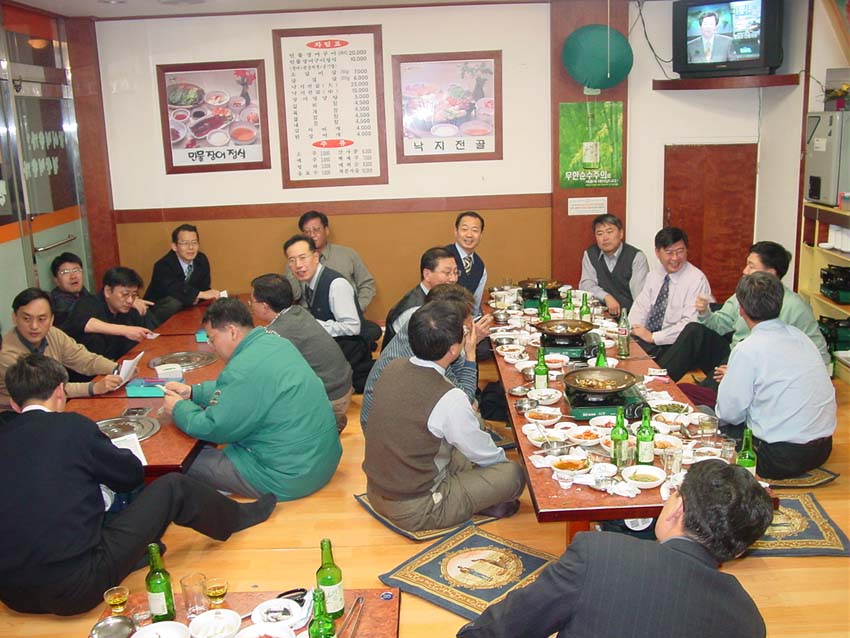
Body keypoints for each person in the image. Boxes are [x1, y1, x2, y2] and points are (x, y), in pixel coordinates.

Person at [0, 353, 276, 616]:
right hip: (78, 587)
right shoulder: (72, 426)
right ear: (60, 391)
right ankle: (236, 516)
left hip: (13, 595)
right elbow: (130, 476)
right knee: (172, 487)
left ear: (13, 403)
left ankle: (137, 552)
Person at [457, 459, 773, 638]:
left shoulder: (600, 555)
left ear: (678, 509)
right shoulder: (748, 620)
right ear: (738, 550)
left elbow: (507, 629)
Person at [363, 301, 525, 532]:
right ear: (453, 349)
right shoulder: (449, 397)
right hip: (419, 508)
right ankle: (476, 500)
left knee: (466, 435)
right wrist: (498, 472)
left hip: (376, 492)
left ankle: (476, 496)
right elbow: (487, 456)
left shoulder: (393, 366)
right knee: (513, 474)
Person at [163, 298, 342, 501]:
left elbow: (214, 427)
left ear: (232, 331)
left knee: (184, 461)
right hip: (321, 461)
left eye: (212, 339)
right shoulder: (275, 343)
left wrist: (179, 408)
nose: (211, 346)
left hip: (288, 476)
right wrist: (193, 392)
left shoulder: (242, 369)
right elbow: (241, 390)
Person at [715, 272, 836, 479]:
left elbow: (729, 414)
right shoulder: (801, 337)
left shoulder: (748, 349)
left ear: (741, 309)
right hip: (822, 449)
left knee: (707, 423)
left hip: (776, 457)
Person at [660, 241, 829, 386]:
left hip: (764, 368)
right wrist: (705, 313)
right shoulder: (744, 293)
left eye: (751, 266)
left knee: (704, 394)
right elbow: (719, 325)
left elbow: (820, 355)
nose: (745, 271)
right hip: (735, 353)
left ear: (771, 273)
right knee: (694, 330)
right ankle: (655, 380)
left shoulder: (796, 307)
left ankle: (704, 398)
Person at [362, 284, 480, 430]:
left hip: (391, 417)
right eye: (468, 321)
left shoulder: (425, 327)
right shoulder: (431, 346)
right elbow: (465, 399)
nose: (471, 324)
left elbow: (457, 373)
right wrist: (470, 355)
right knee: (470, 415)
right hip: (391, 430)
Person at [250, 273, 353, 433]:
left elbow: (256, 367)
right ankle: (328, 422)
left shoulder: (277, 332)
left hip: (331, 397)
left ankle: (326, 422)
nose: (250, 305)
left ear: (264, 306)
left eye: (252, 302)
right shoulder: (298, 311)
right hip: (343, 386)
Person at [0, 288, 122, 410]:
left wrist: (118, 369)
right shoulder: (5, 352)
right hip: (15, 413)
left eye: (41, 319)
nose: (34, 326)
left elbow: (85, 359)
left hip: (52, 406)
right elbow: (44, 390)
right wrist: (93, 388)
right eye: (26, 319)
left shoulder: (53, 334)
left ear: (52, 319)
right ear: (14, 318)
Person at [283, 234, 374, 392]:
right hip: (331, 352)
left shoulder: (336, 284)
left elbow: (352, 327)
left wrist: (313, 326)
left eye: (303, 258)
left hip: (349, 357)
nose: (298, 265)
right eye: (292, 260)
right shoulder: (309, 282)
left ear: (316, 256)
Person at [629, 227, 711, 358]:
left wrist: (653, 337)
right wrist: (633, 328)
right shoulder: (654, 275)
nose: (675, 258)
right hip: (648, 341)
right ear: (657, 252)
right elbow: (641, 307)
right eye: (669, 252)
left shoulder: (696, 280)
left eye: (680, 251)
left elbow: (690, 325)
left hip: (676, 345)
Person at [286, 210, 377, 311]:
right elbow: (295, 295)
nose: (312, 235)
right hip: (309, 316)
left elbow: (367, 284)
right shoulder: (296, 262)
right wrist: (292, 269)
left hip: (344, 312)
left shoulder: (347, 254)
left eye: (316, 230)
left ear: (326, 231)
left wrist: (357, 309)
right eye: (307, 231)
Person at [64, 266, 157, 361]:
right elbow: (86, 323)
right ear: (108, 291)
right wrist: (126, 330)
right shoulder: (87, 303)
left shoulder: (131, 309)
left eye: (134, 295)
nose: (130, 300)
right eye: (125, 294)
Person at [382, 246, 460, 350]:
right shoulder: (414, 311)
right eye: (447, 273)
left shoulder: (442, 297)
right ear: (427, 274)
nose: (453, 279)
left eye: (456, 272)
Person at [49, 251, 152, 329]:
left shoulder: (83, 292)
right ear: (56, 280)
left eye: (76, 270)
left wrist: (128, 299)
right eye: (65, 272)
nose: (73, 276)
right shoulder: (58, 303)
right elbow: (81, 320)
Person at [144, 223, 221, 324]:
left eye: (194, 242)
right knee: (175, 302)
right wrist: (199, 295)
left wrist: (208, 295)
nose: (191, 247)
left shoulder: (201, 259)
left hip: (187, 309)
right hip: (160, 312)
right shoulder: (163, 265)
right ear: (174, 246)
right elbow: (174, 289)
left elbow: (204, 287)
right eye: (185, 243)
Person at [578, 213, 649, 316]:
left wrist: (632, 322)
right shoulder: (590, 254)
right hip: (599, 314)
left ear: (621, 234)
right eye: (600, 233)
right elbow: (586, 284)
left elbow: (639, 298)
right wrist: (606, 297)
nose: (605, 238)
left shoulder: (636, 257)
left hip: (628, 316)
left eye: (609, 232)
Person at [445, 211, 487, 317]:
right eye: (464, 229)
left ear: (481, 235)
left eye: (475, 230)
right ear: (456, 232)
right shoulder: (443, 257)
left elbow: (475, 304)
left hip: (466, 319)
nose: (469, 235)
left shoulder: (480, 266)